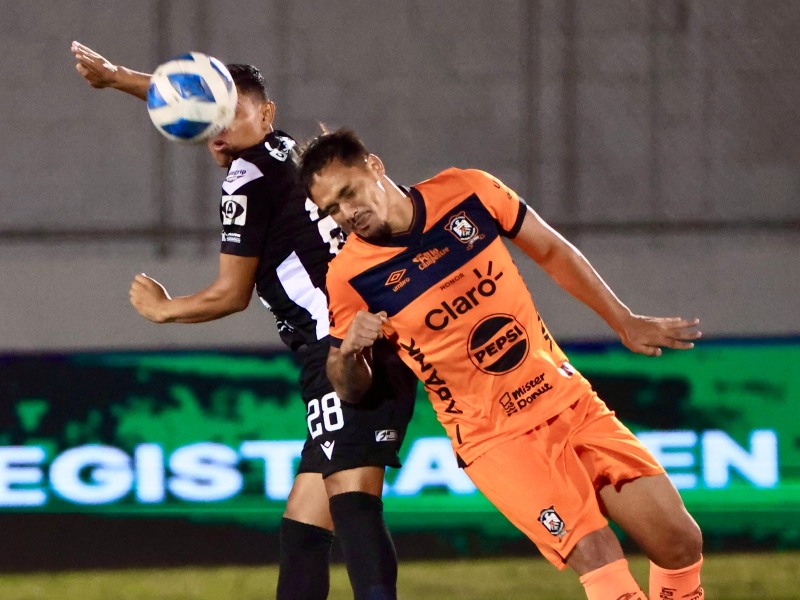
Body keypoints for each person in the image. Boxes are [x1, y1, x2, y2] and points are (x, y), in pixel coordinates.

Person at [71, 42, 417, 600]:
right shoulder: (283, 150)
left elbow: (230, 294)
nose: (217, 129)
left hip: (341, 349)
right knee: (305, 529)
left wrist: (167, 309)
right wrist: (119, 79)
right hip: (355, 340)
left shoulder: (246, 180)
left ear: (268, 114)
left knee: (354, 504)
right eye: (211, 118)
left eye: (231, 115)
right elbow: (200, 102)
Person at [300, 128, 706, 600]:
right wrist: (351, 351)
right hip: (495, 438)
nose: (347, 214)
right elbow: (350, 387)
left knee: (680, 541)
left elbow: (552, 250)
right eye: (332, 209)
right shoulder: (350, 275)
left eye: (348, 194)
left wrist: (623, 320)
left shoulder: (467, 191)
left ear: (374, 165)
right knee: (600, 556)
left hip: (569, 400)